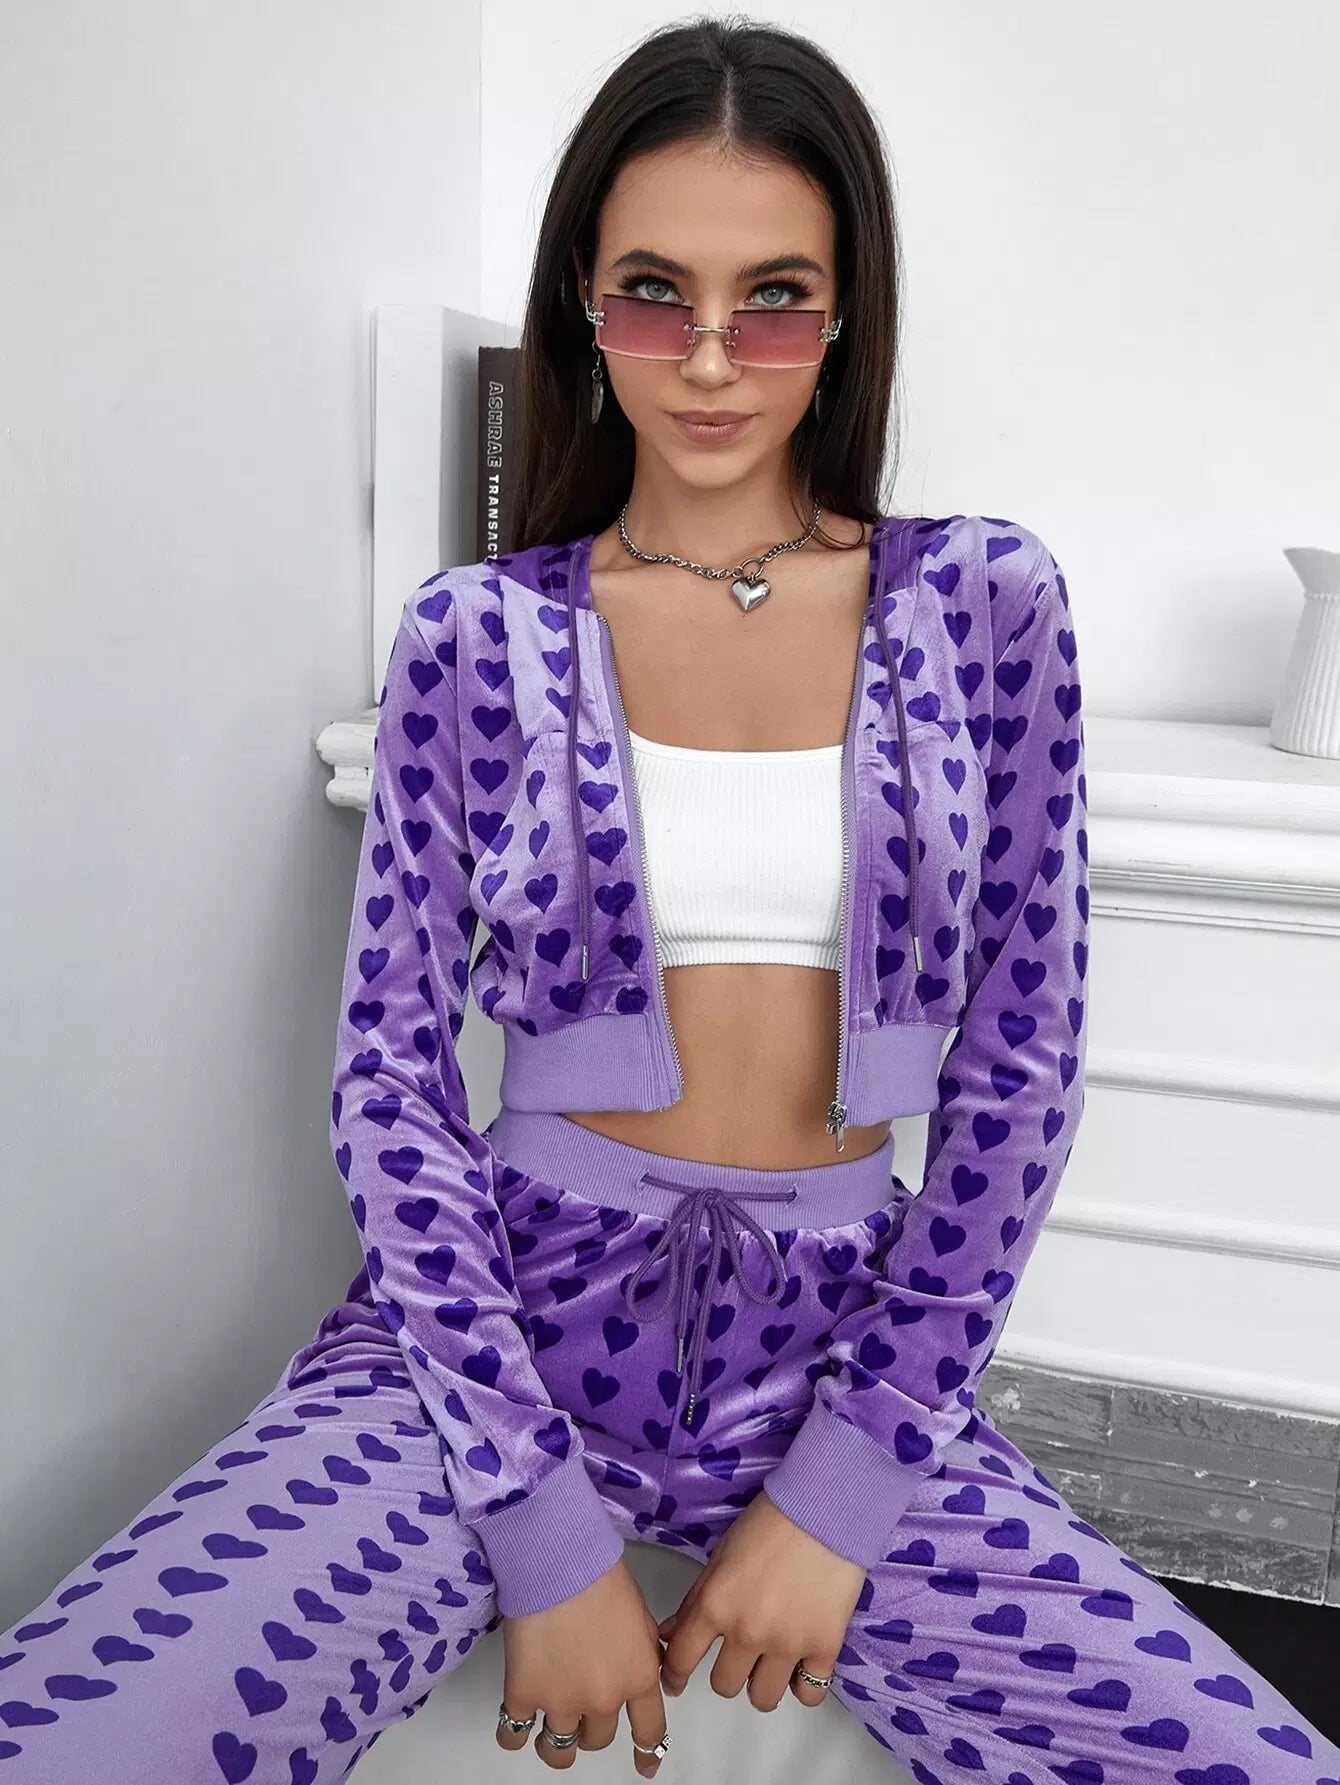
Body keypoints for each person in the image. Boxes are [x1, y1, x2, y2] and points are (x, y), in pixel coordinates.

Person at [4, 17, 1336, 1785]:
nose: (711, 359)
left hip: (845, 1335)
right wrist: (538, 1520)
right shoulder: (475, 637)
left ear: (845, 313)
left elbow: (1019, 1076)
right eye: (654, 294)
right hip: (495, 1326)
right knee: (85, 1724)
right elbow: (391, 1084)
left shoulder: (983, 606)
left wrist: (845, 1489)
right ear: (585, 301)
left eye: (774, 298)